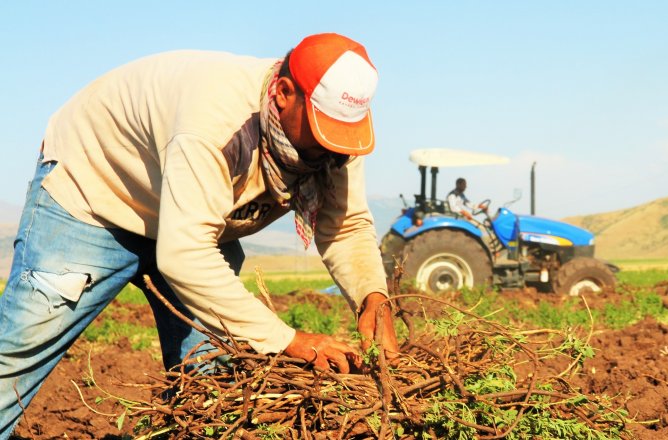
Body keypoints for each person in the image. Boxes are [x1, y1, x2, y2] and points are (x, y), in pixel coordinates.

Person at [0, 33, 399, 438]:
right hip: (95, 193)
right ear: (283, 93)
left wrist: (374, 298)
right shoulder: (215, 120)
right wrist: (289, 340)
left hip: (193, 222)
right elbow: (185, 254)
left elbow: (345, 225)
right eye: (320, 131)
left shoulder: (335, 142)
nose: (328, 148)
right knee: (16, 357)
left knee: (210, 385)